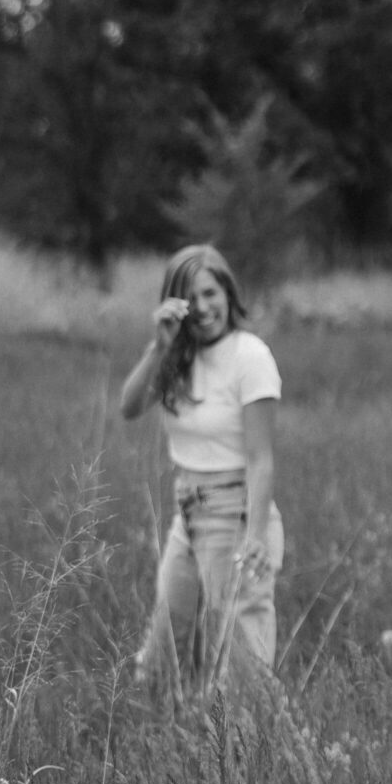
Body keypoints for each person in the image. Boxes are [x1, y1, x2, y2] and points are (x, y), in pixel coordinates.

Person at [120, 244, 283, 691]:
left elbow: (261, 457)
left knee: (243, 670)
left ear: (228, 292)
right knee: (160, 663)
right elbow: (129, 406)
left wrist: (255, 539)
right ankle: (178, 745)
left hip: (234, 512)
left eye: (212, 293)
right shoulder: (178, 358)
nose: (206, 307)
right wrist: (159, 345)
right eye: (194, 299)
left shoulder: (249, 355)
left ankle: (257, 755)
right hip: (186, 514)